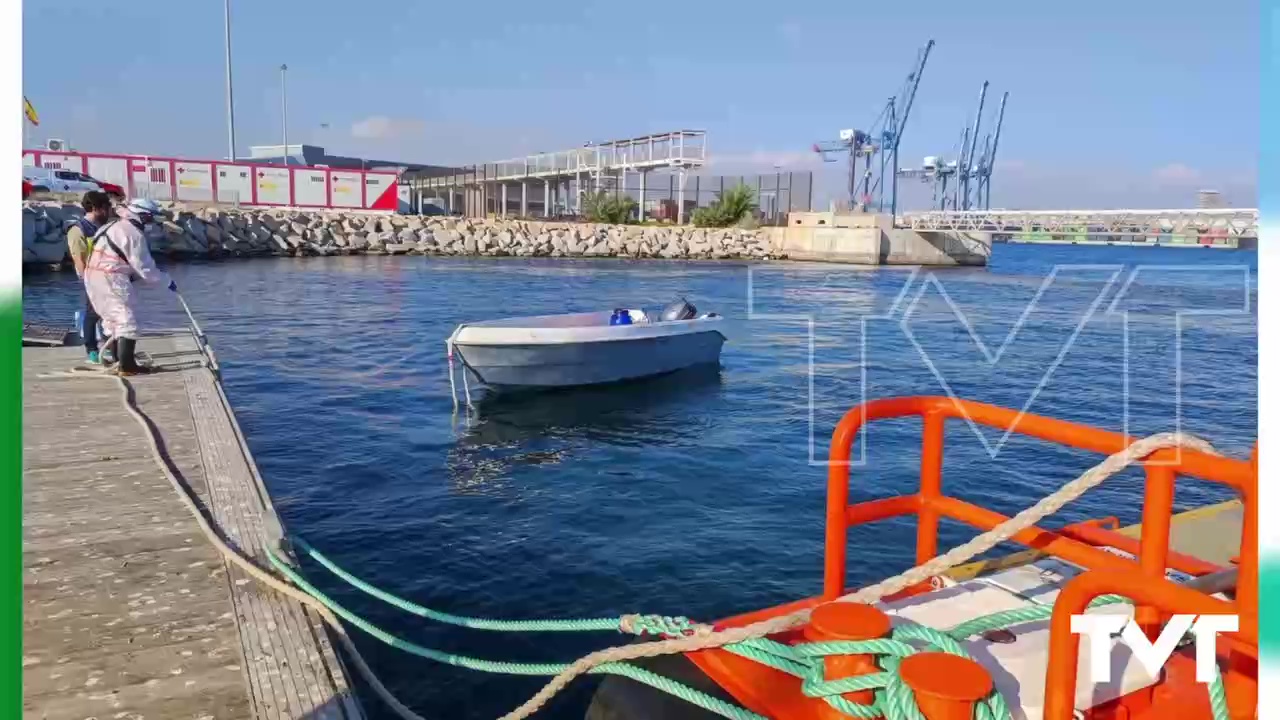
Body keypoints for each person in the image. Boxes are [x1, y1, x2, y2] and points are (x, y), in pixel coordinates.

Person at [82, 197, 178, 375]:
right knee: (126, 319)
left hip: (93, 276)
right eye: (150, 219)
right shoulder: (132, 233)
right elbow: (145, 268)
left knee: (112, 319)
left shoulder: (111, 226)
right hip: (111, 277)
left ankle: (119, 360)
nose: (150, 224)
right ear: (143, 216)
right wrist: (166, 281)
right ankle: (127, 366)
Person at [66, 191, 112, 363]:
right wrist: (89, 280)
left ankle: (107, 347)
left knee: (107, 312)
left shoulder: (103, 227)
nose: (109, 212)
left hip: (108, 277)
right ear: (95, 208)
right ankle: (92, 350)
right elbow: (79, 259)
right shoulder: (78, 230)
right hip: (91, 278)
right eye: (106, 208)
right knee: (92, 314)